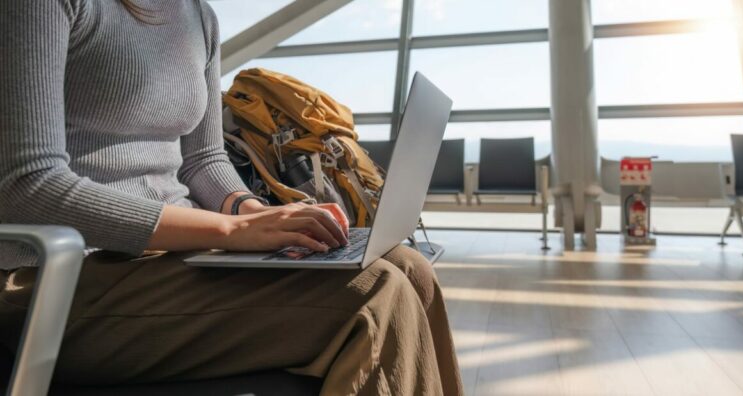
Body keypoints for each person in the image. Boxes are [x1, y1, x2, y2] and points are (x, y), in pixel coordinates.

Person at [0, 1, 463, 395]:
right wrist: (231, 230)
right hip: (48, 280)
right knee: (374, 294)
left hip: (164, 259)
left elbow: (202, 160)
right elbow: (27, 185)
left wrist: (259, 214)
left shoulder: (197, 15)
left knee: (410, 268)